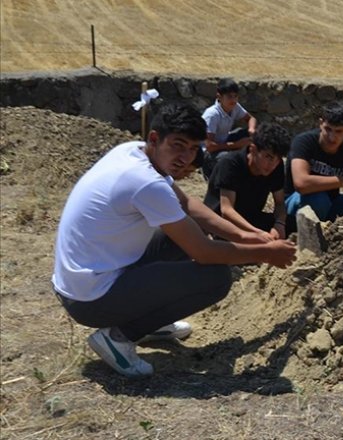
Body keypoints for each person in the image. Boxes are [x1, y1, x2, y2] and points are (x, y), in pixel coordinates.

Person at [52, 103, 296, 378]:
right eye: (178, 145)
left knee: (182, 235)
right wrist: (265, 253)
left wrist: (248, 236)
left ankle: (147, 320)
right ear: (155, 139)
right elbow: (204, 252)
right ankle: (119, 336)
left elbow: (188, 204)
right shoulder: (145, 182)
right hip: (89, 299)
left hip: (86, 277)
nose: (185, 157)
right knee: (216, 278)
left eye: (193, 149)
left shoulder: (133, 151)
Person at [204, 123, 290, 240]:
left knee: (292, 223)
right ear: (253, 149)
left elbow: (279, 202)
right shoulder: (230, 164)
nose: (272, 164)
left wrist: (279, 224)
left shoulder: (276, 167)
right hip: (222, 223)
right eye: (268, 157)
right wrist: (258, 233)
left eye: (278, 159)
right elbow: (227, 210)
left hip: (251, 218)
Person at [201, 78, 258, 179]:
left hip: (225, 141)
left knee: (249, 135)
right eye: (229, 97)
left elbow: (251, 118)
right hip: (210, 153)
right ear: (219, 97)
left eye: (235, 96)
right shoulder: (212, 115)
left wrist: (251, 129)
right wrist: (236, 145)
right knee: (226, 158)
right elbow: (209, 146)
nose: (233, 100)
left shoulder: (235, 107)